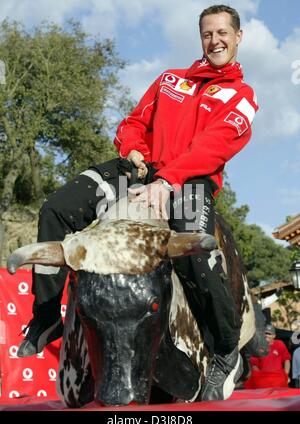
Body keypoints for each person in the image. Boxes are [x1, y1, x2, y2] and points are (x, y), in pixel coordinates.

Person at [16, 4, 258, 401]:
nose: (214, 41)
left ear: (238, 37)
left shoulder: (243, 98)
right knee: (55, 209)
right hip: (141, 169)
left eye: (222, 34)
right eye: (207, 34)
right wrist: (133, 150)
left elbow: (212, 148)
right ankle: (45, 317)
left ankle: (225, 348)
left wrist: (167, 182)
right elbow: (132, 123)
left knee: (196, 251)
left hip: (190, 180)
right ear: (201, 38)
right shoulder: (169, 80)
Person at [245, 324, 291, 389]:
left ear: (274, 336)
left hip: (278, 380)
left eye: (269, 333)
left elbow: (287, 360)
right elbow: (254, 365)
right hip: (263, 381)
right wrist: (262, 378)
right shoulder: (258, 346)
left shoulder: (279, 344)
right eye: (265, 333)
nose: (266, 335)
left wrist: (286, 375)